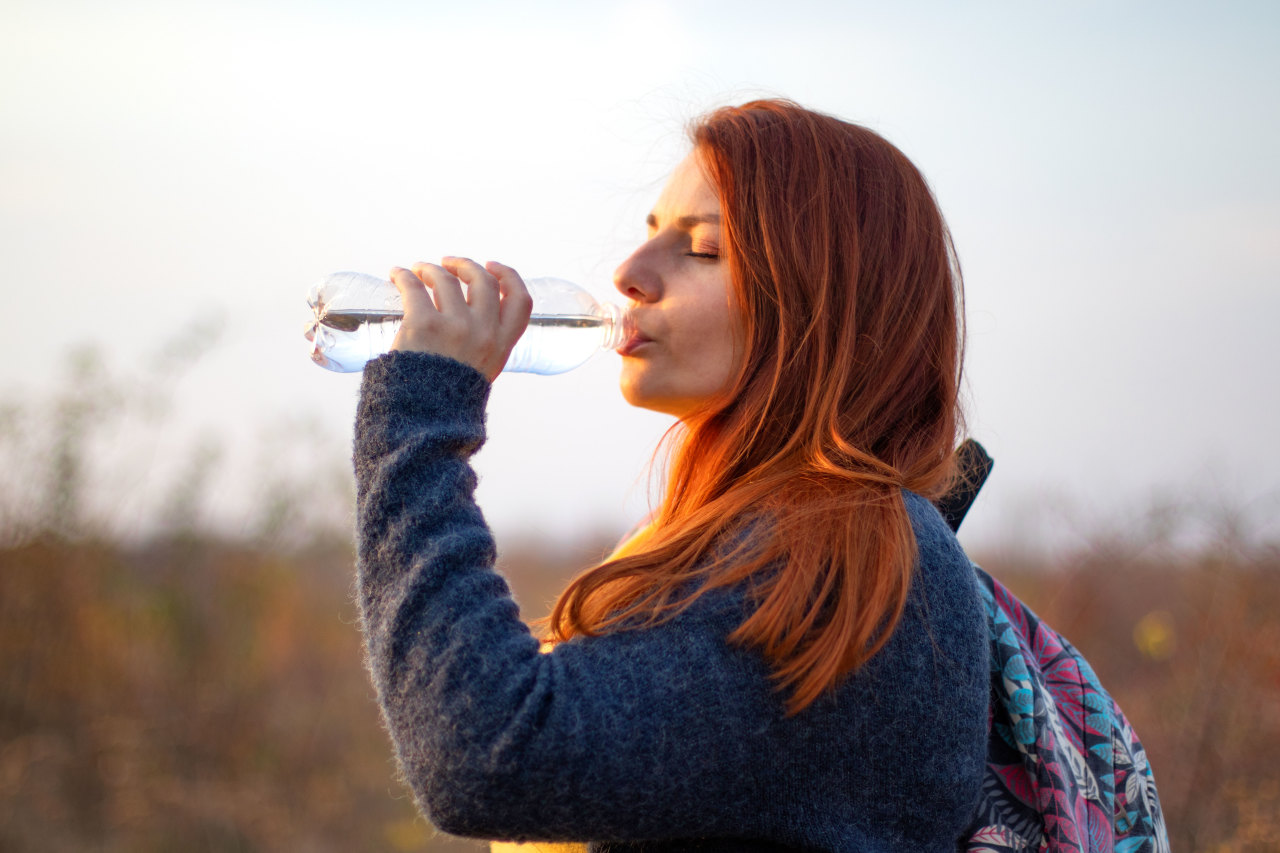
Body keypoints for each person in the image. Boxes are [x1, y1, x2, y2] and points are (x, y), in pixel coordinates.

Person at [352, 100, 1168, 852]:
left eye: (702, 248)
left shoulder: (847, 551)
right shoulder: (782, 540)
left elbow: (489, 747)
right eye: (649, 231)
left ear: (821, 301)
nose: (630, 270)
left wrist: (422, 420)